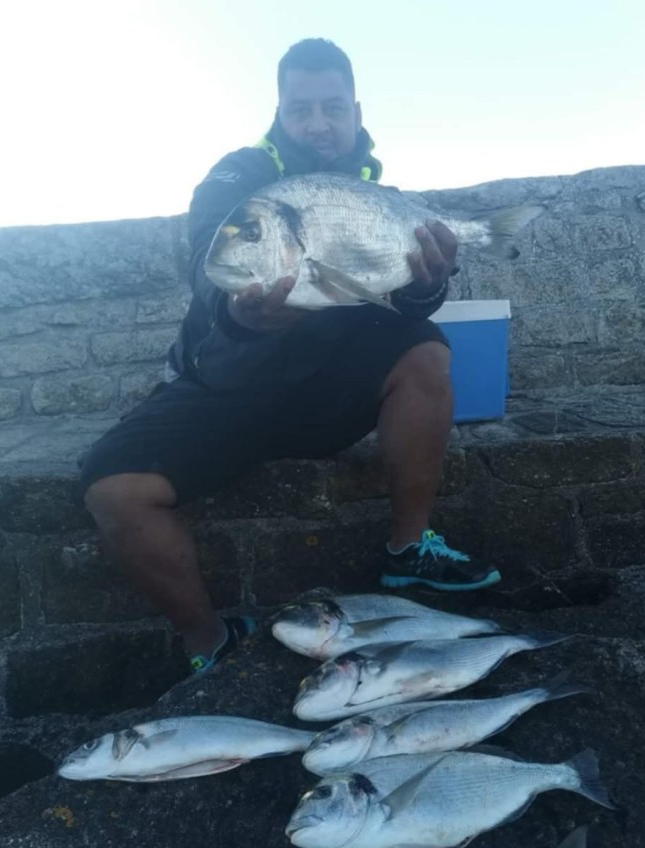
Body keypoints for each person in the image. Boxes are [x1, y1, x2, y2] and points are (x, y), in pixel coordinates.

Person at [79, 38, 501, 676]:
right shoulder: (236, 177)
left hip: (324, 393)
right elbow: (207, 268)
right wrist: (239, 317)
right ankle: (210, 642)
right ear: (280, 112)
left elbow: (404, 304)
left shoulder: (379, 196)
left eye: (333, 107)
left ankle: (409, 550)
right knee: (111, 488)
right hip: (227, 384)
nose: (318, 123)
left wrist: (426, 285)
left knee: (425, 350)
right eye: (301, 109)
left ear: (356, 112)